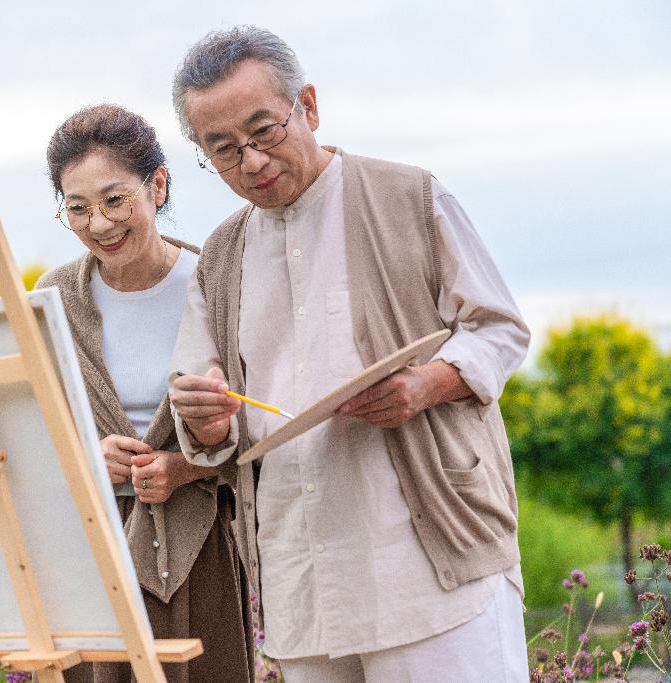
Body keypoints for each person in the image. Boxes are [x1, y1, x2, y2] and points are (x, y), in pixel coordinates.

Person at [167, 26, 532, 682]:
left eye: (265, 131)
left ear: (307, 105)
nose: (250, 162)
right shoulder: (219, 256)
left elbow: (500, 329)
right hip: (300, 575)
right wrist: (206, 416)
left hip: (426, 561)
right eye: (222, 149)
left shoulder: (409, 195)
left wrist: (426, 384)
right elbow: (206, 404)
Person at [36, 103, 254, 683]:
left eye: (115, 200)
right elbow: (32, 431)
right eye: (76, 209)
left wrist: (186, 467)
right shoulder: (54, 297)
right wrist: (88, 457)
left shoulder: (217, 282)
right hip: (87, 551)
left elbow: (265, 422)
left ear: (157, 185)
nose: (100, 225)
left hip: (197, 543)